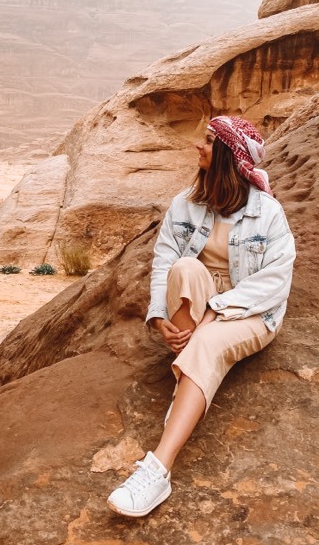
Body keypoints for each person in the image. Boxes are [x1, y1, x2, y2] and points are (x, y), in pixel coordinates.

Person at [107, 115, 295, 518]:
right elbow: (164, 264)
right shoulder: (186, 204)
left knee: (209, 341)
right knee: (184, 269)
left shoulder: (268, 213)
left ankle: (158, 468)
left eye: (208, 142)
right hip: (197, 296)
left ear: (228, 154)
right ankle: (190, 366)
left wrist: (216, 309)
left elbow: (275, 283)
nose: (199, 146)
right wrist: (160, 317)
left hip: (250, 311)